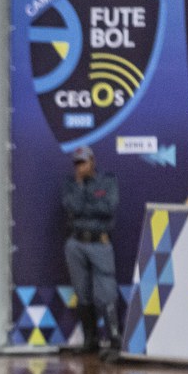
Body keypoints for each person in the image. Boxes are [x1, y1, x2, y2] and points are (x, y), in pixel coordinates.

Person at [62, 145, 121, 353]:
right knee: (82, 293)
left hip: (99, 242)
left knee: (105, 292)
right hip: (76, 243)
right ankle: (90, 341)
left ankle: (114, 340)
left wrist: (87, 207)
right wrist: (81, 189)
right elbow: (72, 207)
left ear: (92, 162)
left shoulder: (108, 181)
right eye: (77, 163)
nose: (80, 167)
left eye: (83, 162)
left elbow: (108, 208)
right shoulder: (71, 184)